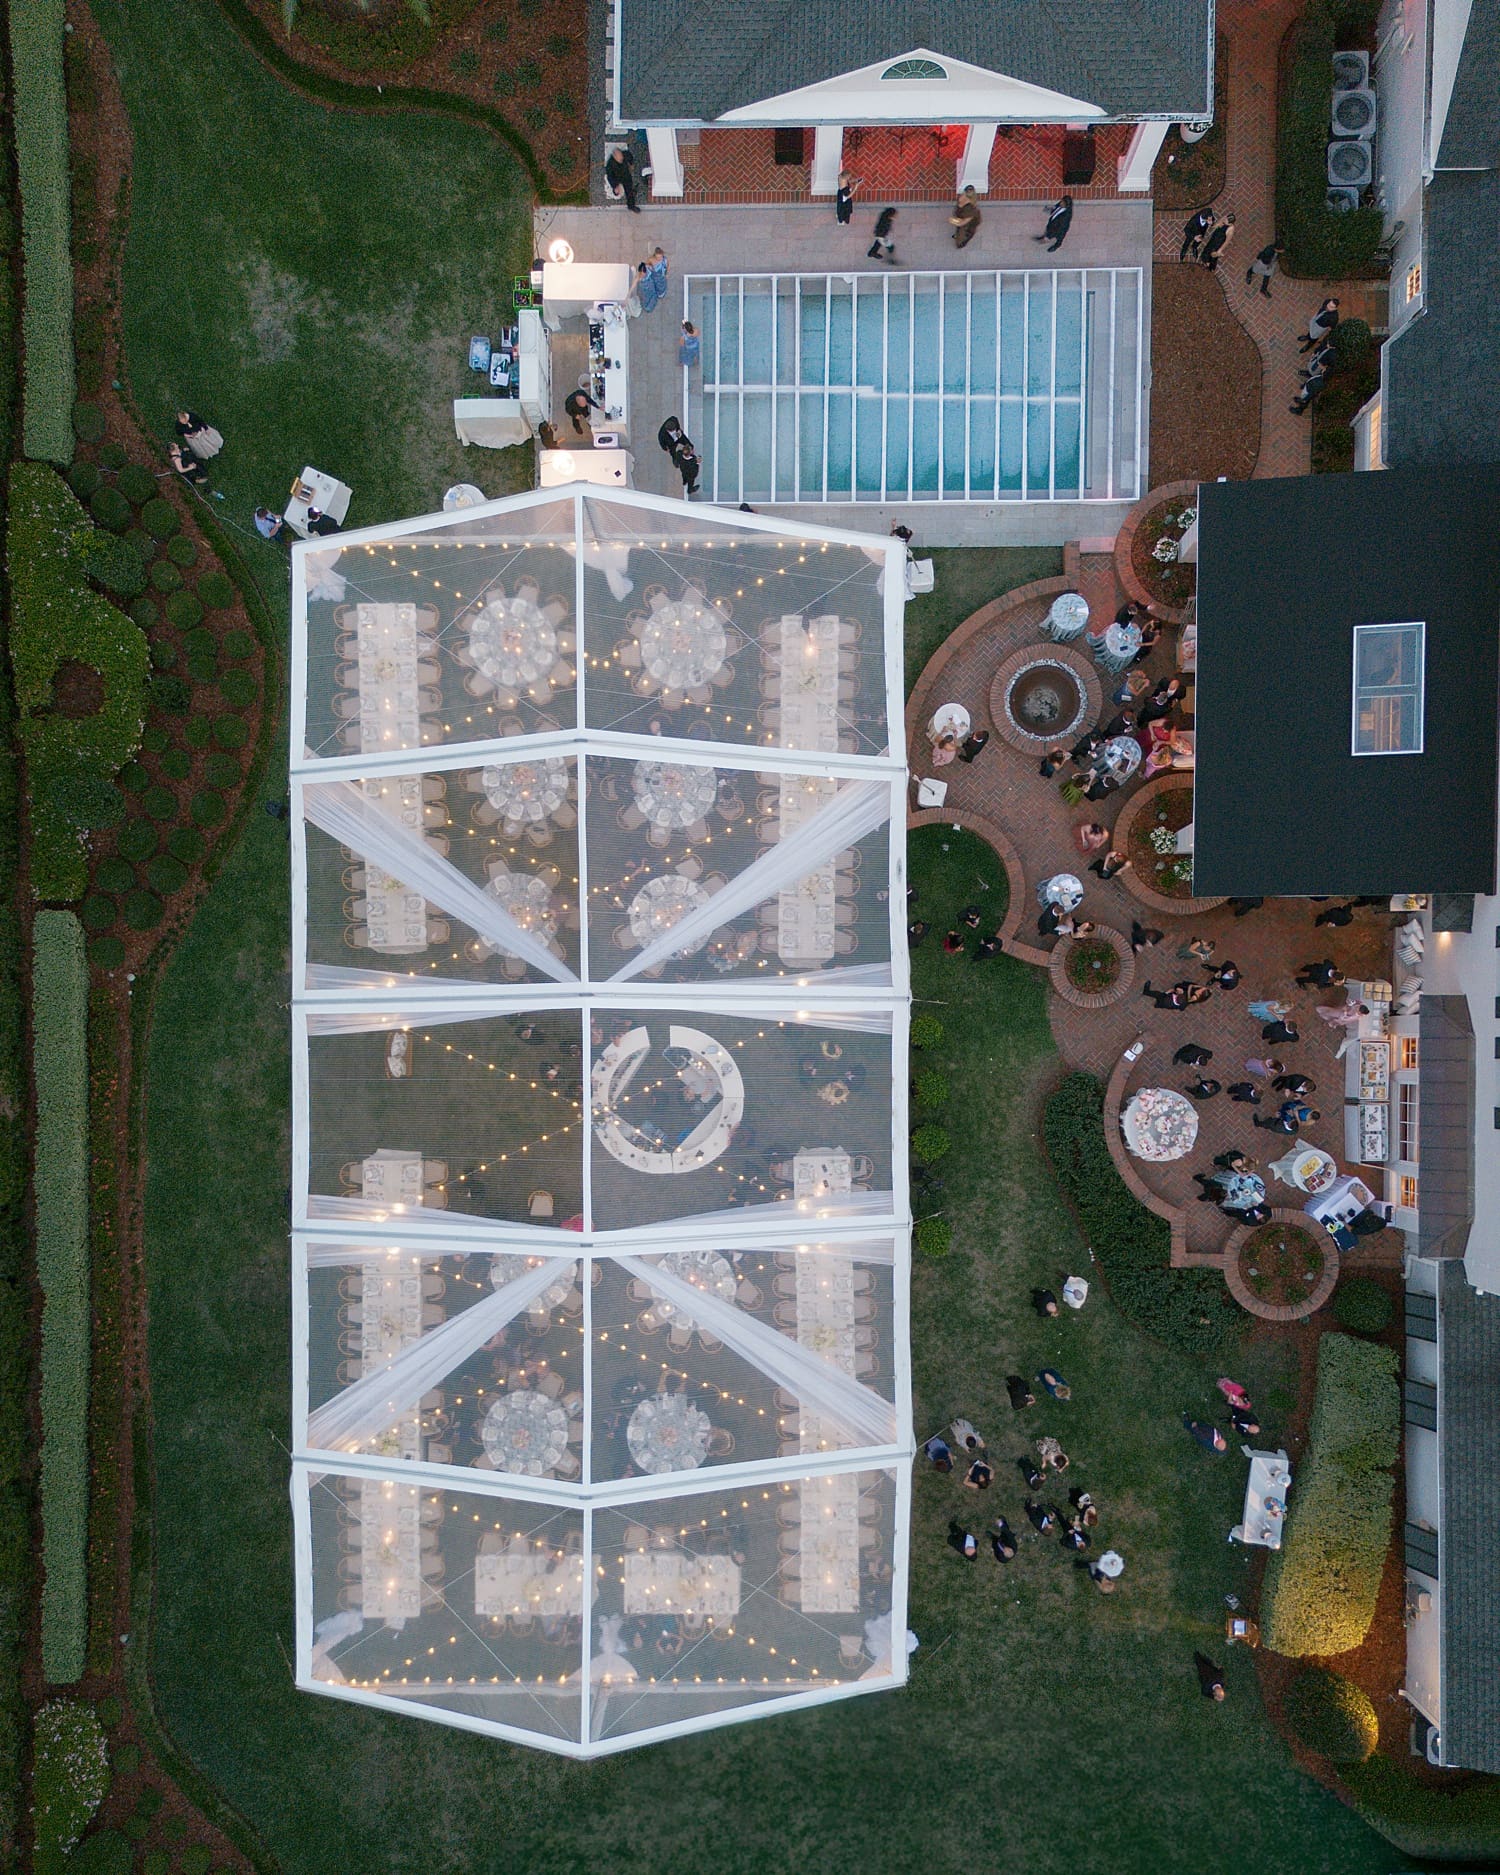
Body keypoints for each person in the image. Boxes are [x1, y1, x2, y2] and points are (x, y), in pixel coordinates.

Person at [604, 141, 640, 211]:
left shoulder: (625, 154)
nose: (621, 159)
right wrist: (615, 186)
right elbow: (610, 177)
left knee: (629, 190)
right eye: (619, 158)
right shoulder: (610, 165)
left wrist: (631, 164)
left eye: (621, 157)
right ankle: (616, 191)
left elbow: (630, 156)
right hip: (617, 177)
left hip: (626, 175)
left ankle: (631, 206)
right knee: (618, 189)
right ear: (614, 157)